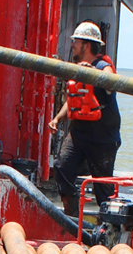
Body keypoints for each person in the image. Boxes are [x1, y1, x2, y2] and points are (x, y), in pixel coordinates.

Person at [48, 21, 121, 217]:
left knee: (103, 186)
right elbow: (74, 99)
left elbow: (111, 82)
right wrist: (57, 119)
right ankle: (71, 216)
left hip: (102, 137)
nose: (72, 45)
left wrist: (92, 72)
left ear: (86, 45)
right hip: (79, 133)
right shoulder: (77, 68)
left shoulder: (103, 66)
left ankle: (110, 226)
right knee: (62, 166)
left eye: (75, 42)